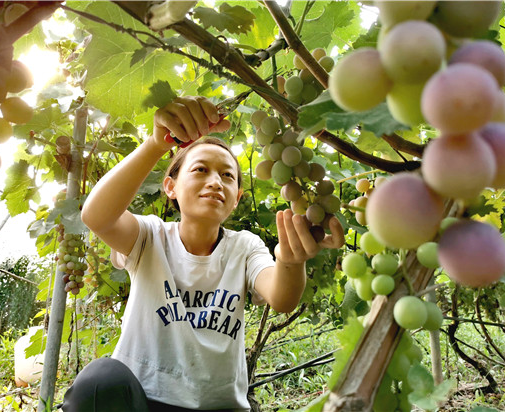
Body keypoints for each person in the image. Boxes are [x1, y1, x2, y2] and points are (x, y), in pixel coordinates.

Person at [62, 96, 345, 411]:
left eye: (227, 176)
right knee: (99, 380)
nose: (215, 182)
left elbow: (282, 298)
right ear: (170, 187)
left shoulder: (244, 246)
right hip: (145, 401)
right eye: (200, 169)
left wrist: (290, 262)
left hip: (220, 408)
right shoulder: (149, 237)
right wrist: (156, 145)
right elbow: (96, 217)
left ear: (236, 199)